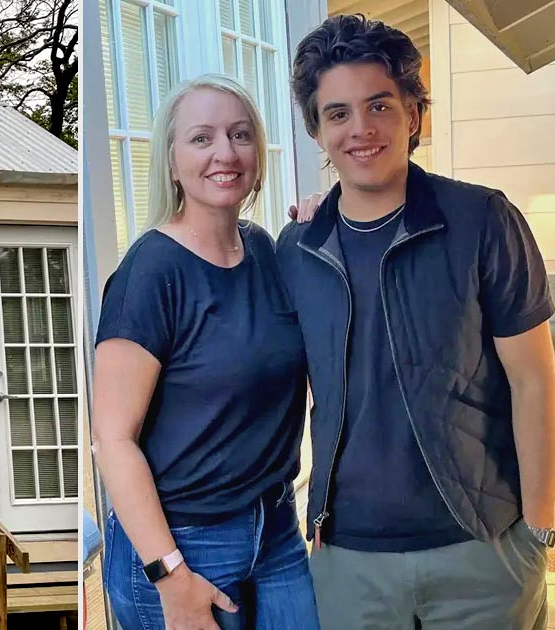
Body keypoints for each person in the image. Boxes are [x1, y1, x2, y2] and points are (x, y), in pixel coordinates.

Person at [277, 14, 555, 629]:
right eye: (338, 113)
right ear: (318, 131)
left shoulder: (483, 221)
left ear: (413, 113)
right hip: (348, 560)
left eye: (379, 105)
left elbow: (535, 379)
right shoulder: (296, 249)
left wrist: (541, 527)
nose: (361, 129)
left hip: (482, 554)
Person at [92, 73, 321, 630]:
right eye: (202, 138)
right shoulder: (150, 273)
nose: (226, 152)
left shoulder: (266, 251)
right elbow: (112, 440)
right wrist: (170, 574)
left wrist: (330, 218)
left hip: (276, 527)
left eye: (241, 135)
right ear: (172, 162)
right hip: (182, 544)